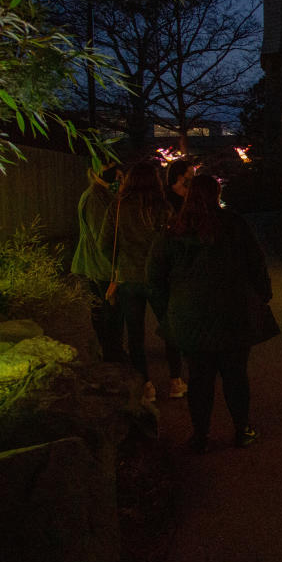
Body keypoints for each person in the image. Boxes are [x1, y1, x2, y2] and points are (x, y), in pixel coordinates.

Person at [147, 174, 272, 452]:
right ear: (216, 194)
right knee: (235, 375)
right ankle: (242, 430)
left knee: (199, 377)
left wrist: (168, 310)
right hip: (233, 313)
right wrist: (261, 296)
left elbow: (155, 277)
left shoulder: (174, 230)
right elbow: (256, 263)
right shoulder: (234, 224)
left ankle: (200, 436)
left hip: (190, 316)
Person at [101, 159, 185, 403]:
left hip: (129, 277)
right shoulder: (163, 208)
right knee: (170, 327)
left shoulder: (117, 208)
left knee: (135, 335)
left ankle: (146, 386)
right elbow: (173, 243)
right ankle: (175, 381)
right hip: (158, 277)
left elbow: (104, 244)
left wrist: (118, 265)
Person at [70, 162, 125, 363]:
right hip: (100, 266)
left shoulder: (98, 196)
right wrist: (115, 269)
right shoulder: (96, 198)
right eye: (118, 178)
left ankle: (110, 352)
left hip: (96, 263)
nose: (121, 182)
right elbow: (102, 236)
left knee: (103, 311)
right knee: (108, 312)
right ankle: (112, 354)